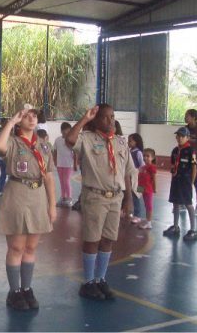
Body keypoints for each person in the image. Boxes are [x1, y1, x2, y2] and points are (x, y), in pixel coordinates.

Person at [66, 104, 134, 301]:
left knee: (108, 240)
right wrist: (85, 119)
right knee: (92, 239)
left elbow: (127, 173)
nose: (110, 120)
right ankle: (88, 282)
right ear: (96, 120)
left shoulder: (121, 142)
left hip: (116, 197)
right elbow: (70, 139)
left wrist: (128, 199)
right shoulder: (87, 139)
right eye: (105, 117)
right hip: (95, 196)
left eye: (112, 116)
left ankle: (100, 278)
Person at [0, 107, 56, 311]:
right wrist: (11, 122)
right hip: (17, 195)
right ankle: (14, 292)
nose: (31, 119)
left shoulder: (44, 146)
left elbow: (48, 177)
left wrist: (52, 205)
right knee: (16, 248)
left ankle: (27, 288)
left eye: (34, 116)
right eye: (26, 116)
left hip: (37, 197)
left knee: (30, 248)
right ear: (19, 121)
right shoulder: (12, 142)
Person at [163, 127, 197, 241]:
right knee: (175, 202)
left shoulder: (191, 151)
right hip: (176, 181)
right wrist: (173, 172)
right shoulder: (175, 150)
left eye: (182, 136)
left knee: (188, 204)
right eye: (178, 136)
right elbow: (173, 164)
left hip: (185, 181)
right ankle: (176, 226)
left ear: (187, 138)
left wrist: (191, 182)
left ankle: (193, 230)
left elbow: (194, 167)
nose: (179, 138)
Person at [54, 122, 77, 208]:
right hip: (60, 164)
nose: (65, 134)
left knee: (66, 181)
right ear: (61, 131)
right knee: (61, 181)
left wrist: (75, 163)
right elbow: (55, 151)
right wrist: (55, 161)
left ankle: (69, 198)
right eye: (64, 132)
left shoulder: (72, 140)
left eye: (67, 132)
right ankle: (63, 197)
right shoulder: (58, 140)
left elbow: (75, 152)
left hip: (69, 164)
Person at [137, 148, 157, 230]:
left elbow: (154, 178)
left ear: (152, 158)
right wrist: (139, 189)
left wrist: (155, 188)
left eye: (147, 156)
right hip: (142, 188)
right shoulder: (144, 167)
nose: (145, 158)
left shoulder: (152, 167)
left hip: (148, 189)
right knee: (145, 204)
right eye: (144, 156)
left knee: (148, 206)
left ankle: (149, 223)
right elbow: (141, 178)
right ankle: (147, 219)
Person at [127, 133, 144, 224]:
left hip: (137, 177)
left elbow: (142, 166)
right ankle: (127, 211)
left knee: (137, 194)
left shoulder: (138, 153)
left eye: (130, 141)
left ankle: (137, 215)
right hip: (129, 176)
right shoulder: (129, 151)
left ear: (136, 142)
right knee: (127, 193)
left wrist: (137, 173)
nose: (128, 142)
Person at [185, 109, 197, 198]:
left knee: (195, 179)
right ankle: (184, 200)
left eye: (187, 116)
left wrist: (189, 139)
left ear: (193, 117)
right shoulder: (185, 128)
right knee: (185, 178)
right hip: (187, 155)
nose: (185, 117)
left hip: (194, 155)